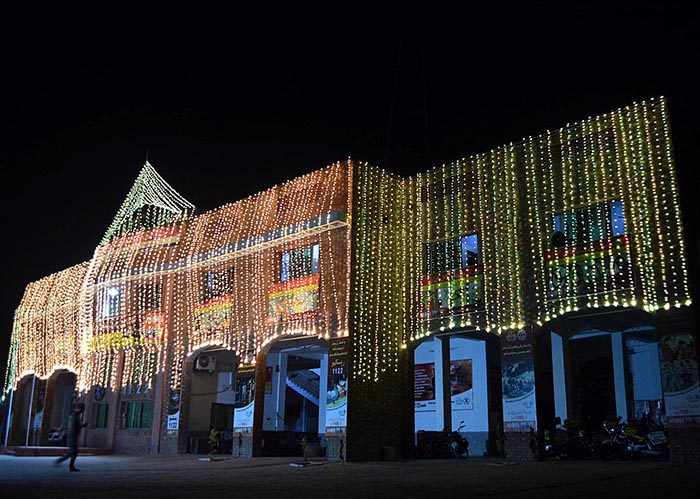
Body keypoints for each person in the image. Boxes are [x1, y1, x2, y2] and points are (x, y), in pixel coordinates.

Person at [55, 403, 87, 471]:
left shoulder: (76, 415)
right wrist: (83, 426)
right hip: (72, 436)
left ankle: (70, 466)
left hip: (73, 435)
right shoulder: (75, 415)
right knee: (73, 452)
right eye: (83, 408)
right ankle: (62, 461)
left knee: (74, 452)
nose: (83, 410)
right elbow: (74, 427)